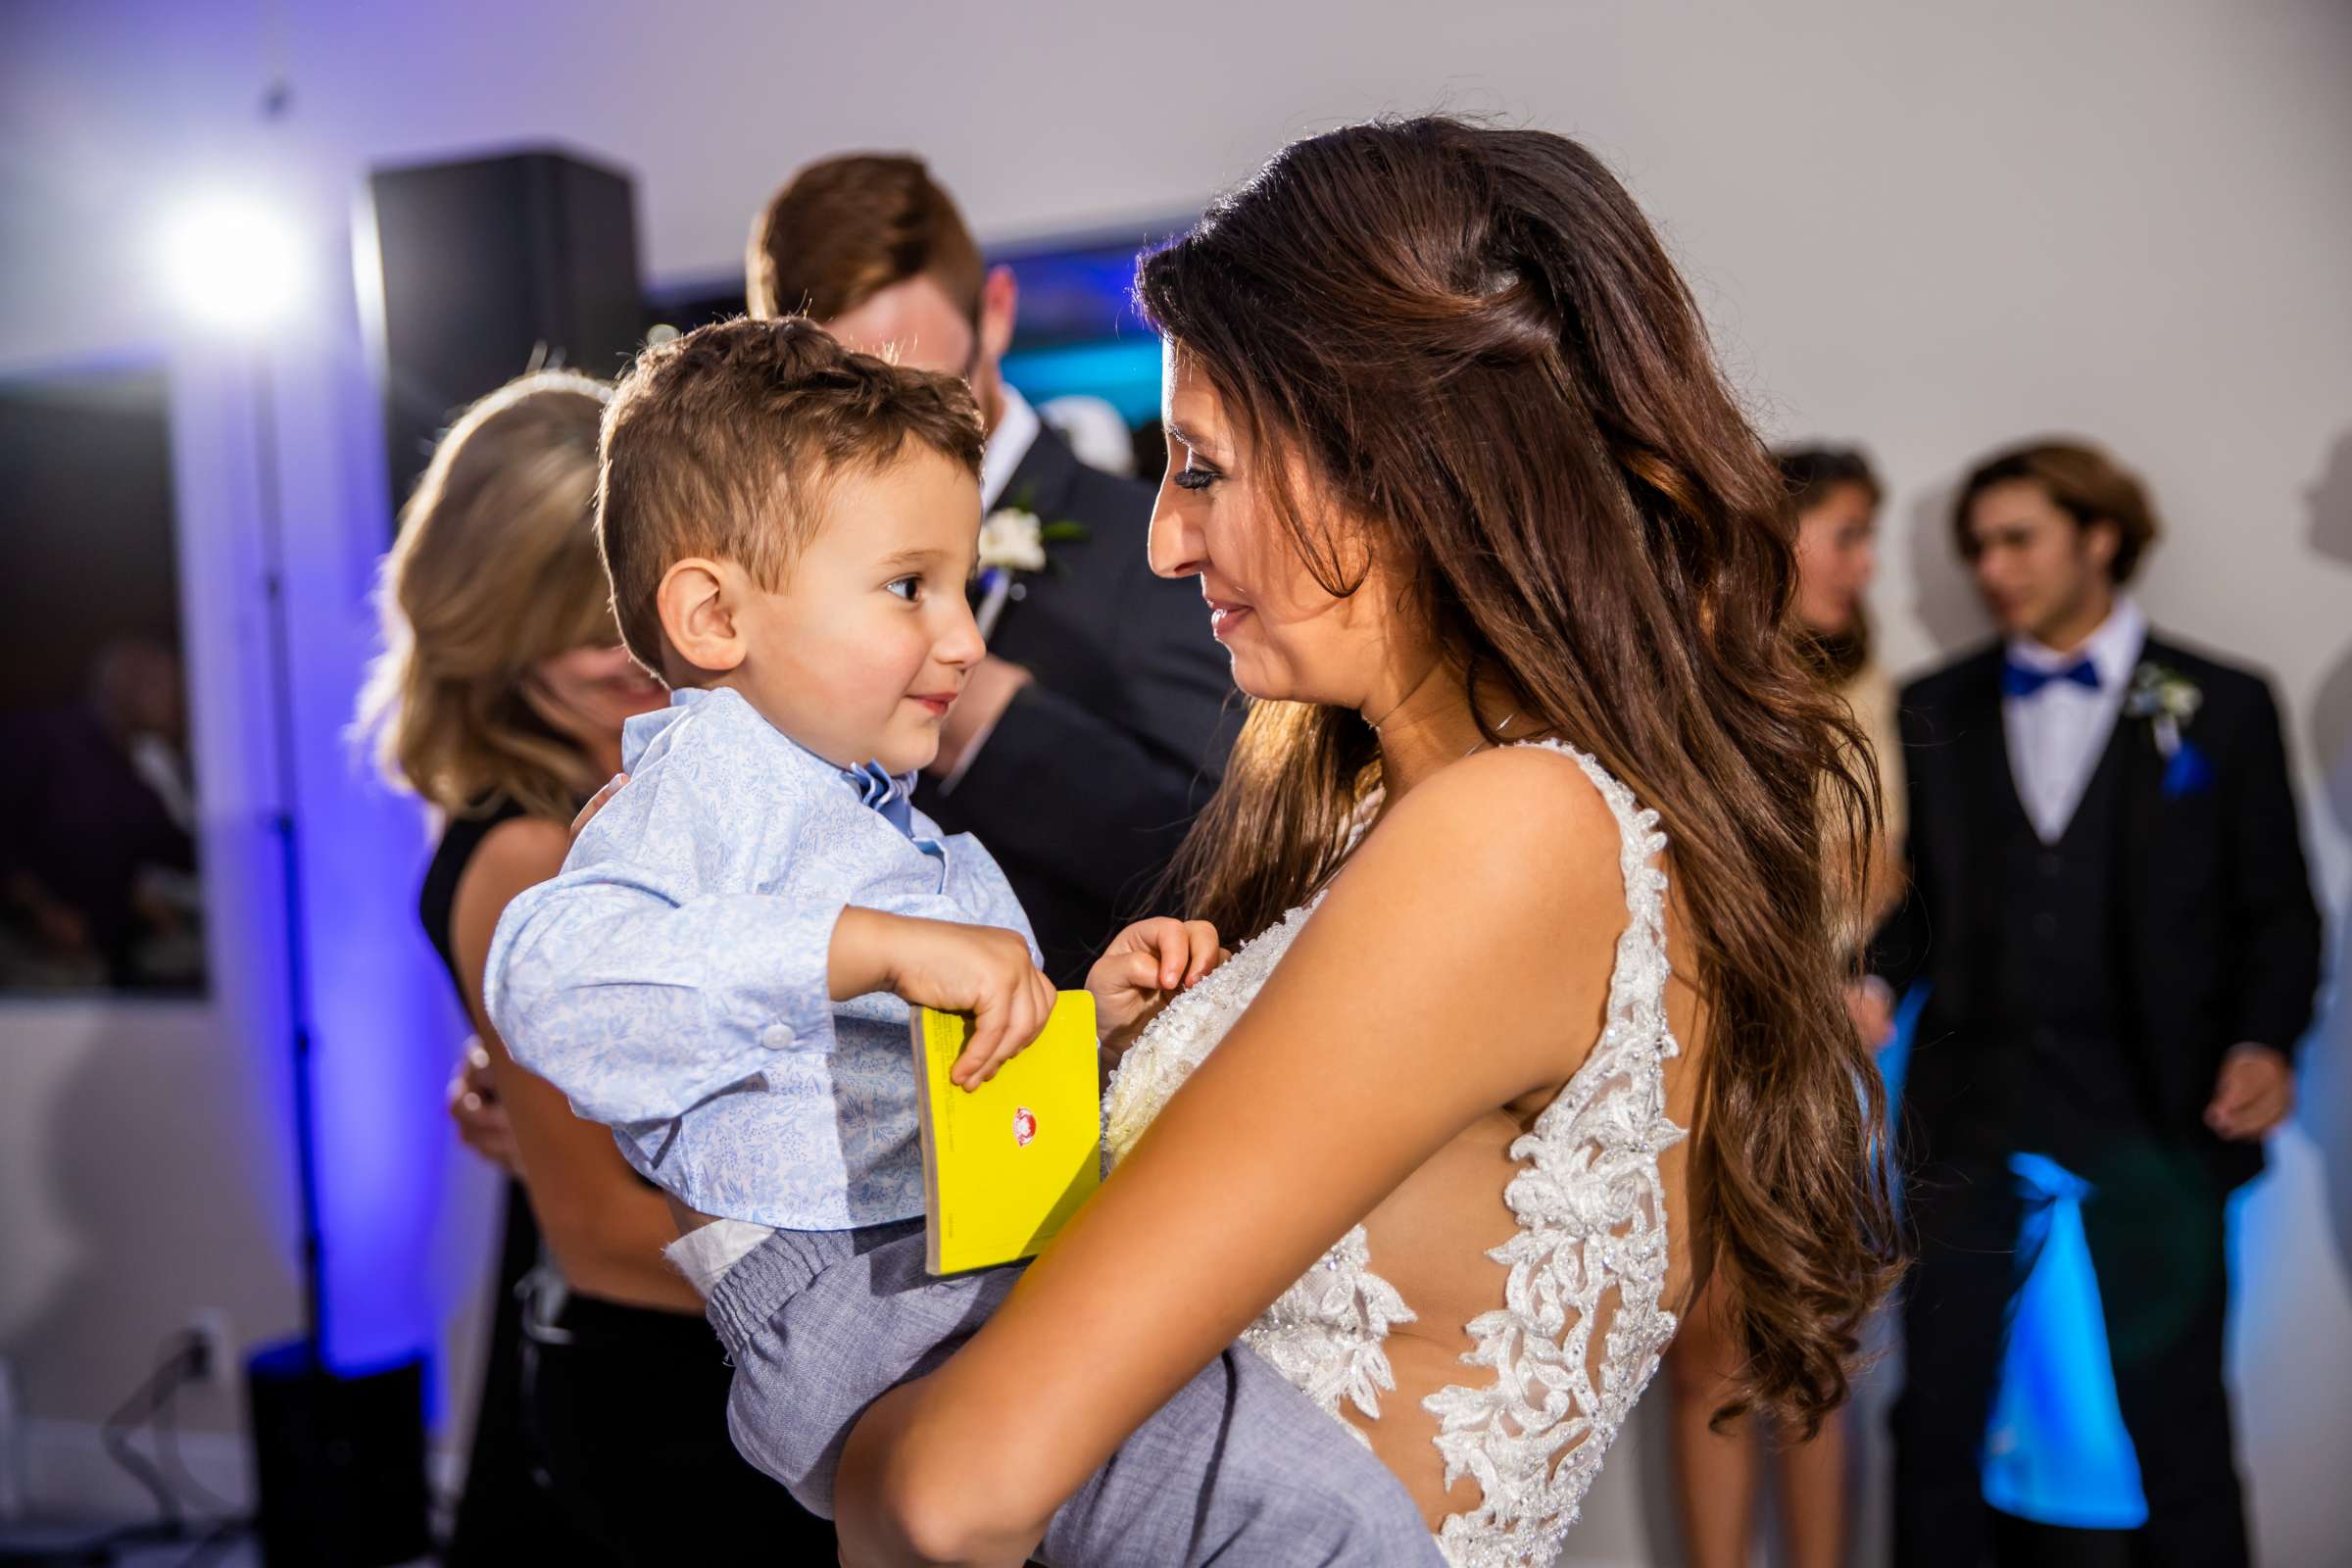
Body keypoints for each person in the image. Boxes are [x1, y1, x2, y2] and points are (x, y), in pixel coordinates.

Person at [822, 115, 1900, 1567]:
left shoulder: (1510, 836)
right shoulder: (1466, 817)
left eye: (1201, 467)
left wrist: (813, 1403)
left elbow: (956, 1492)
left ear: (1394, 457)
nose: (1163, 540)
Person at [489, 317, 1437, 1567]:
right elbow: (545, 978)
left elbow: (912, 1083)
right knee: (1318, 1516)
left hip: (939, 1264)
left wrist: (1078, 1020)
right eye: (908, 588)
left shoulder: (846, 800)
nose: (965, 639)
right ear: (713, 617)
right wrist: (867, 944)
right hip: (874, 1290)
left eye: (958, 583)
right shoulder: (704, 786)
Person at [354, 369, 836, 1564]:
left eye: (644, 603)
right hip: (682, 1389)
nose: (631, 654)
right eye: (580, 628)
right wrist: (889, 1305)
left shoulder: (649, 780)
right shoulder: (526, 847)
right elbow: (604, 1234)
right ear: (490, 631)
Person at [1873, 438, 2323, 1567]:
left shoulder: (2220, 704)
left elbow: (2278, 909)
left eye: (2019, 538)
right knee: (1935, 1414)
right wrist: (1870, 978)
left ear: (2100, 537)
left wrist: (2265, 1042)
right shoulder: (1938, 704)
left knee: (2177, 1417)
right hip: (1971, 1113)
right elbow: (1917, 902)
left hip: (2160, 1116)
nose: (1994, 568)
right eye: (1979, 547)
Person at [748, 154, 1236, 983]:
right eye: (837, 409)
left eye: (924, 390)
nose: (887, 437)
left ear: (998, 314)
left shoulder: (1148, 548)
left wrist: (994, 728)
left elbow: (1237, 855)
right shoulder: (767, 590)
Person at [1665, 444, 1905, 1568]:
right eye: (1845, 534)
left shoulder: (1873, 687)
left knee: (1814, 1346)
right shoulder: (1685, 677)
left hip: (1819, 1049)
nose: (1863, 564)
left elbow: (1887, 876)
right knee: (1709, 1352)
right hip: (1699, 1037)